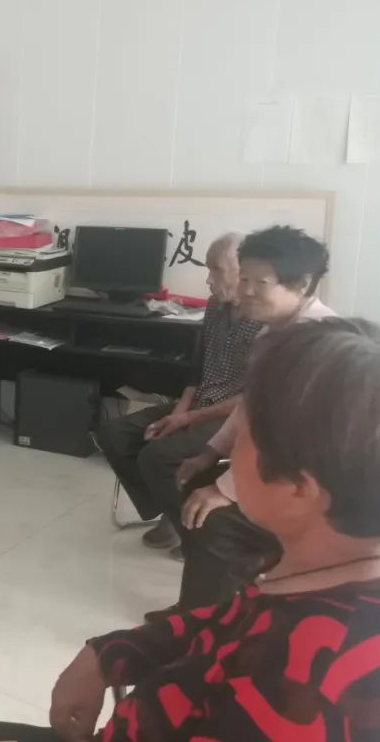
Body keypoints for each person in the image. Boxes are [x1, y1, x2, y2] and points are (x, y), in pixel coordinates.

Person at [0, 318, 380, 742]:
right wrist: (108, 653)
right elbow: (229, 620)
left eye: (242, 437)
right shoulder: (322, 570)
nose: (226, 452)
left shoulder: (296, 691)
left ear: (299, 489)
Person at [175, 225, 334, 608]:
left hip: (319, 486)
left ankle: (206, 620)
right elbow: (250, 406)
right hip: (284, 469)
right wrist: (210, 453)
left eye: (259, 282)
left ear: (302, 284)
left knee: (215, 522)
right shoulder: (273, 332)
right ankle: (204, 606)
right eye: (243, 278)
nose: (245, 290)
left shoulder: (317, 342)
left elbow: (286, 433)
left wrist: (225, 490)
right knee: (191, 480)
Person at [94, 233, 261, 551]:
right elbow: (196, 369)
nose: (209, 280)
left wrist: (188, 419)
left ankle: (198, 540)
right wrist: (180, 411)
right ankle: (171, 511)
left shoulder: (267, 323)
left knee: (157, 455)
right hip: (198, 403)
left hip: (230, 416)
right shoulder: (215, 306)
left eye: (216, 270)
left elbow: (253, 398)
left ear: (244, 271)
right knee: (115, 433)